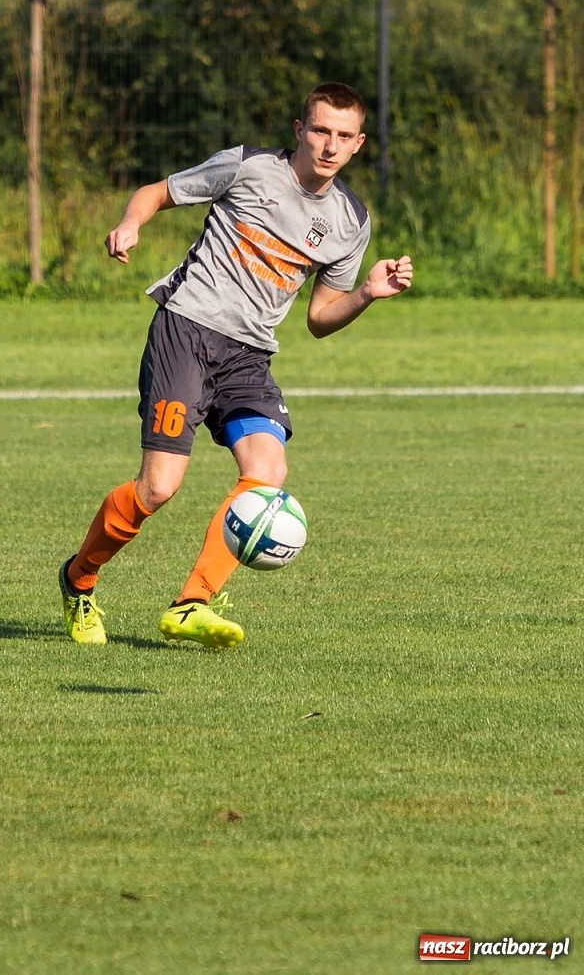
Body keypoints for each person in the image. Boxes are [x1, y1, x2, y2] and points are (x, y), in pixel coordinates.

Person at [58, 82, 413, 648]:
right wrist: (131, 223)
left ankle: (191, 603)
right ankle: (79, 578)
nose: (329, 145)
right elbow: (158, 191)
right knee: (158, 487)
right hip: (186, 331)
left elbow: (320, 317)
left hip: (248, 357)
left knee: (268, 473)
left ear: (359, 143)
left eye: (343, 137)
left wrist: (367, 293)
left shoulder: (351, 220)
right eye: (320, 130)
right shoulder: (249, 168)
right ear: (300, 129)